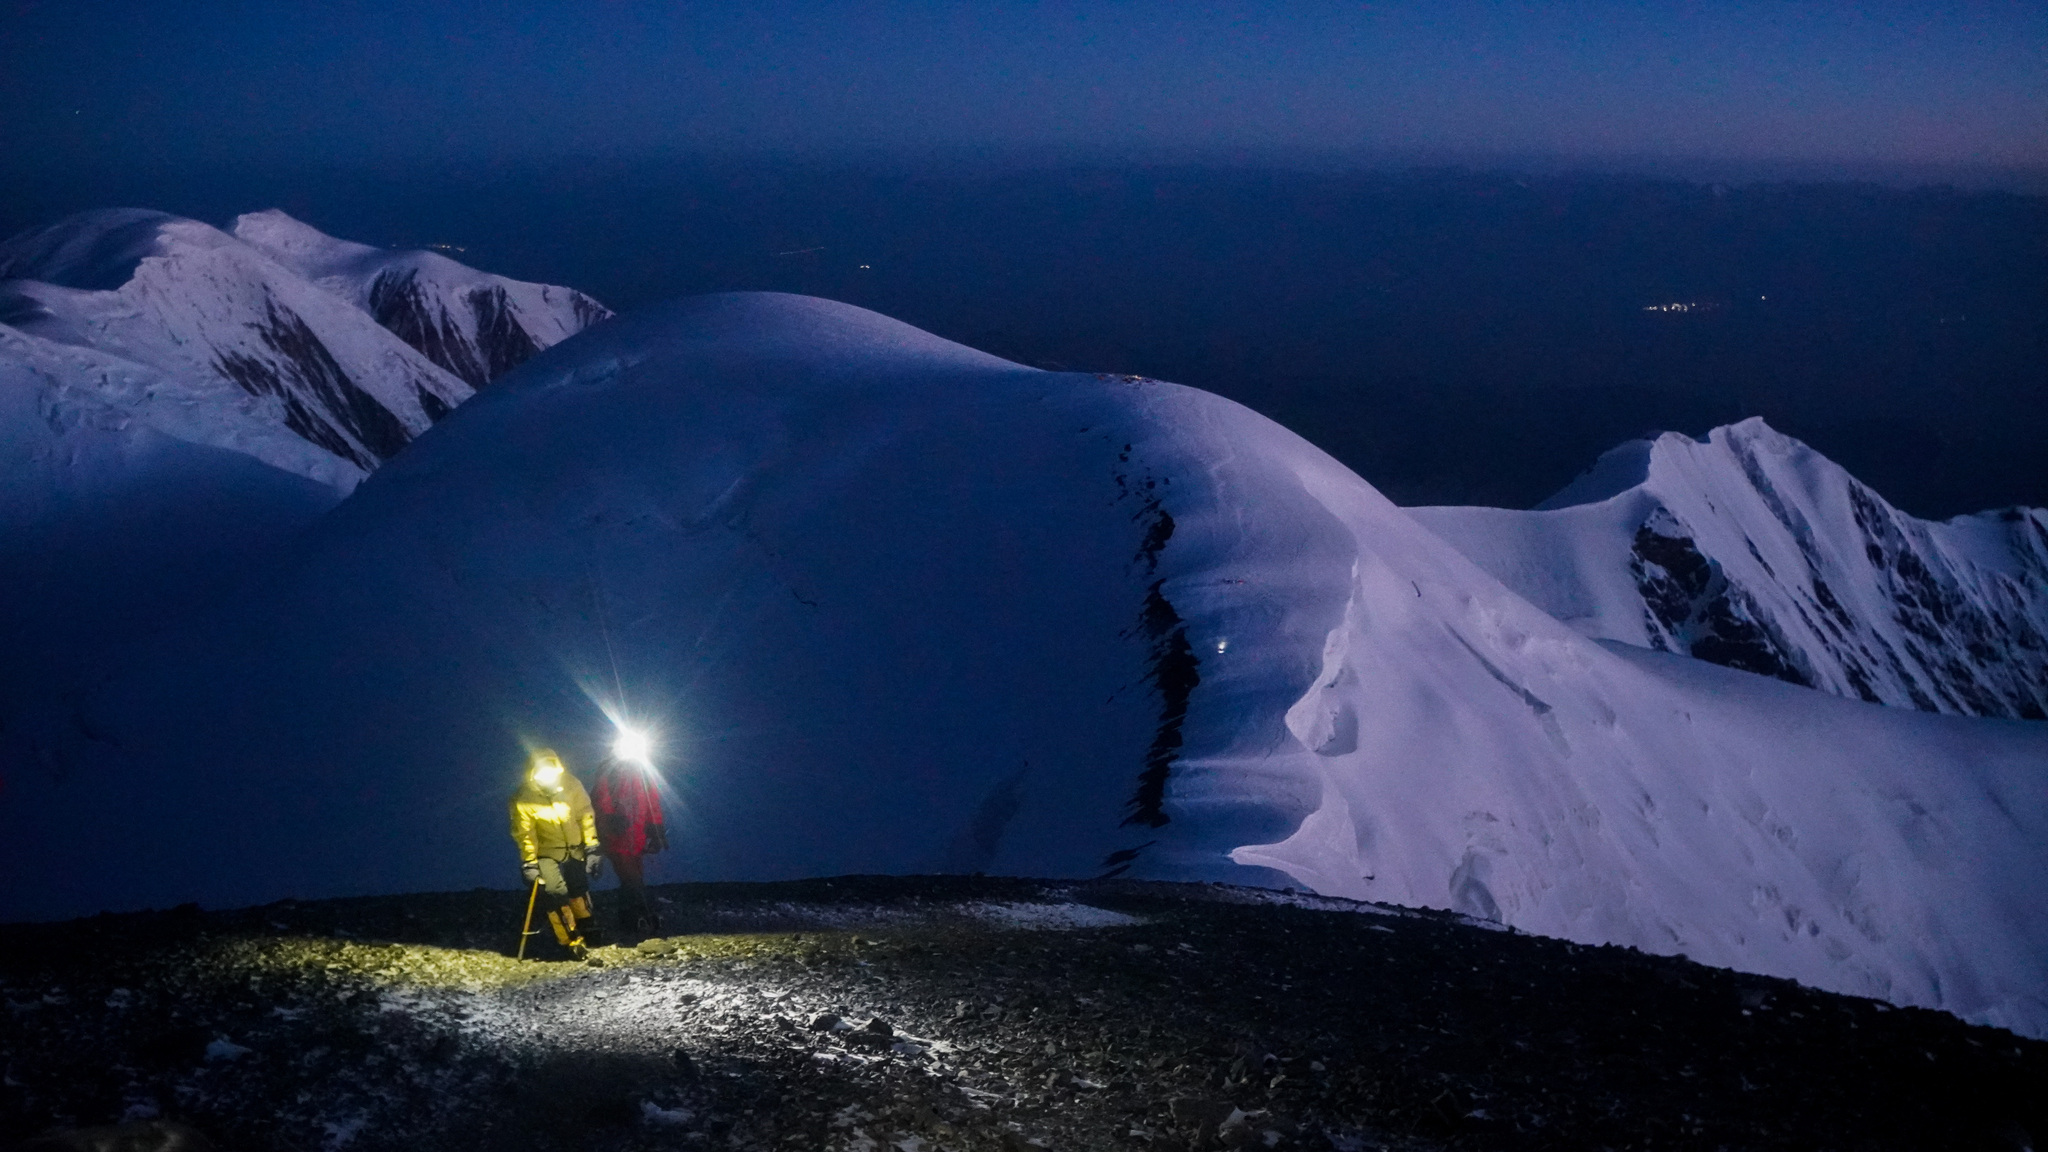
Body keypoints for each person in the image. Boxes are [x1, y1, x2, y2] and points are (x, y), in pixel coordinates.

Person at [509, 749, 601, 959]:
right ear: (532, 772)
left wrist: (592, 847)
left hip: (574, 847)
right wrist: (529, 863)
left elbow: (585, 814)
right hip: (547, 852)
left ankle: (589, 928)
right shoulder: (523, 798)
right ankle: (570, 939)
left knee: (578, 888)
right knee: (555, 892)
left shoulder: (571, 785)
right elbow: (525, 834)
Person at [591, 753, 668, 937]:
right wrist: (610, 819)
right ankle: (638, 916)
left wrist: (656, 830)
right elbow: (600, 798)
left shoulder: (642, 774)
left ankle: (630, 919)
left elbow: (652, 802)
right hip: (616, 837)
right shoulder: (609, 771)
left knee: (633, 880)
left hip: (636, 838)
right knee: (632, 878)